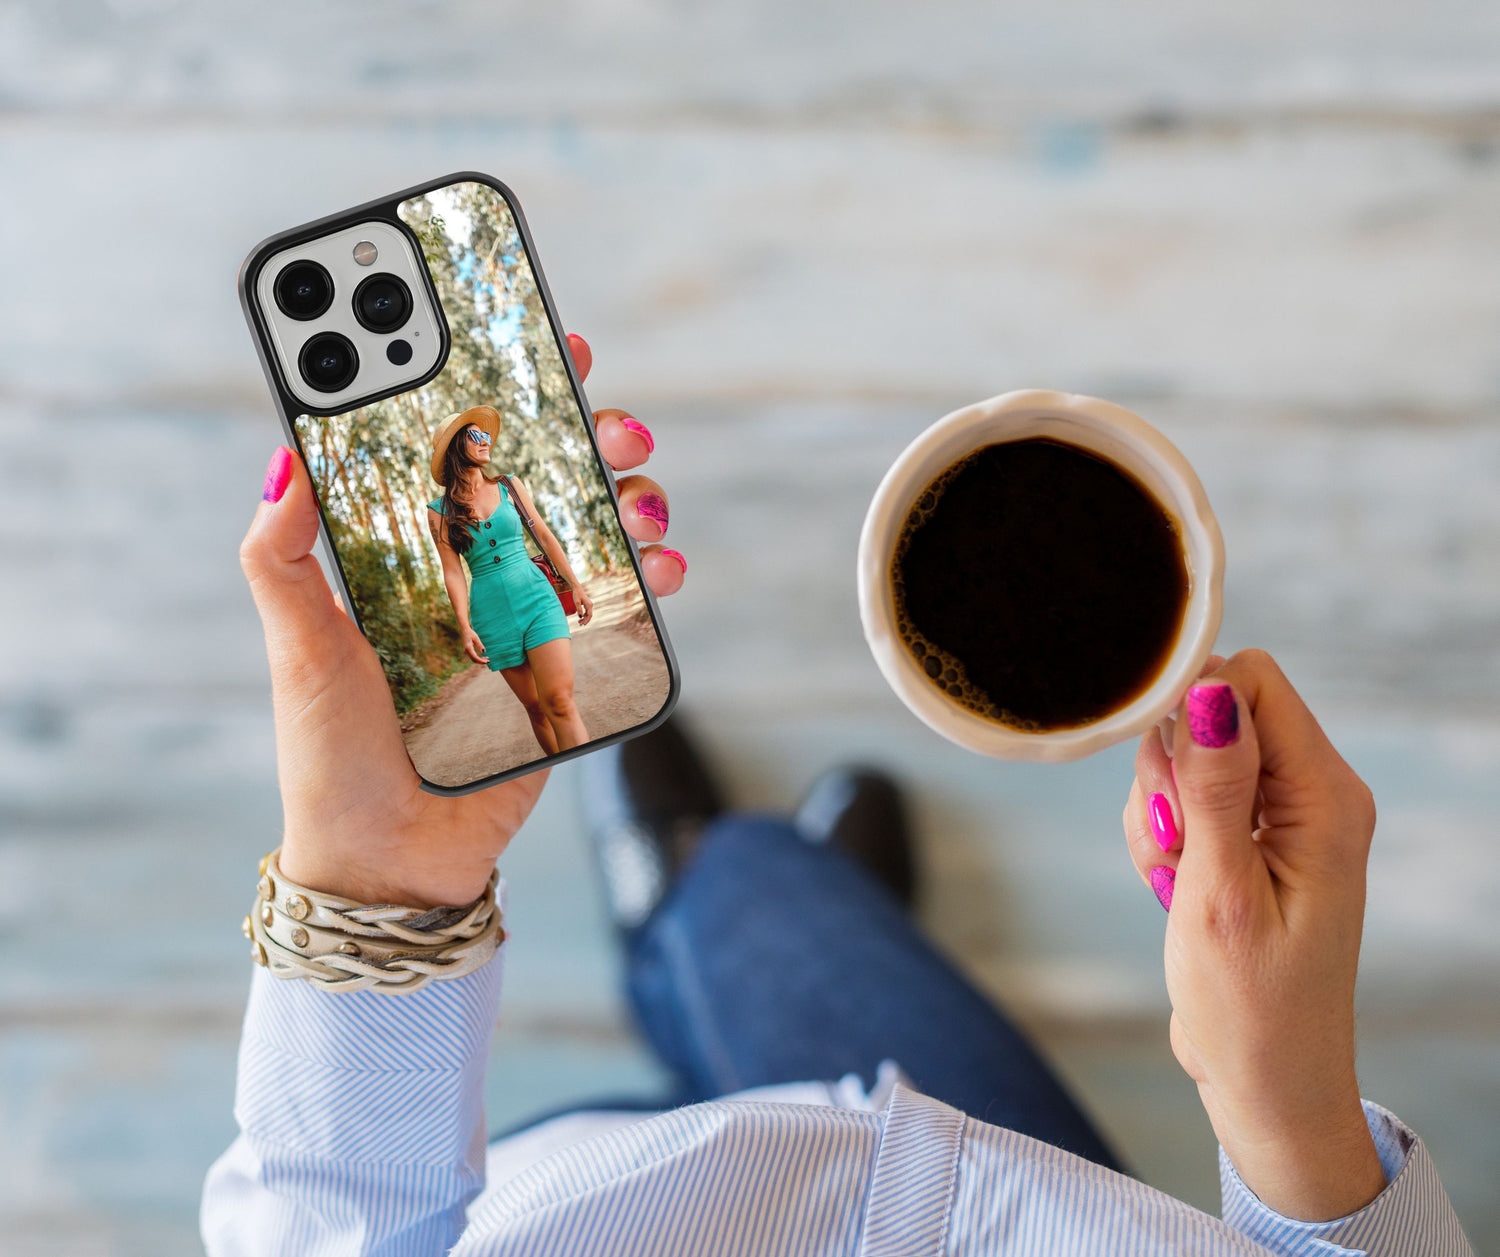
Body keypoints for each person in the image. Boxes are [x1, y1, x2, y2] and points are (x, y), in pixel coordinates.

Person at [207, 336, 1473, 1255]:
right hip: (993, 1176)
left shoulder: (474, 504)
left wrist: (379, 883)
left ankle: (692, 907)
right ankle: (730, 903)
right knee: (777, 911)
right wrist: (1290, 1112)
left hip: (568, 1195)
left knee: (745, 911)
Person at [428, 403, 596, 755]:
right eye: (477, 435)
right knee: (536, 709)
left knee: (559, 702)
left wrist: (575, 585)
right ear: (457, 446)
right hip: (492, 614)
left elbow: (546, 536)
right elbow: (452, 570)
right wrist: (464, 625)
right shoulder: (438, 511)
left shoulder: (509, 485)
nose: (486, 441)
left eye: (487, 435)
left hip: (537, 599)